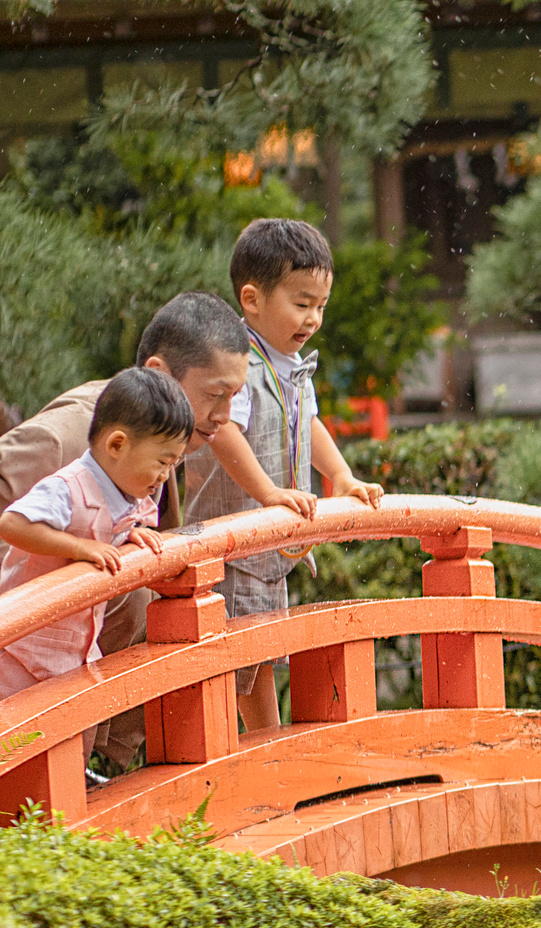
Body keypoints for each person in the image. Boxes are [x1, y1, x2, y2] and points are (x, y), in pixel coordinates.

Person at [0, 292, 252, 744]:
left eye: (233, 397)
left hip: (58, 687)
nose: (224, 416)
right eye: (215, 395)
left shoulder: (160, 437)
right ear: (157, 374)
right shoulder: (69, 438)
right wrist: (55, 563)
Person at [189, 217, 384, 730]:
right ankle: (259, 752)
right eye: (301, 304)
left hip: (268, 545)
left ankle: (262, 747)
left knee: (257, 659)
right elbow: (224, 431)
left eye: (320, 305)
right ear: (252, 299)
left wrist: (340, 476)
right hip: (233, 542)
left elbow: (309, 423)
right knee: (238, 663)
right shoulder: (241, 366)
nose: (314, 318)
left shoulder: (292, 365)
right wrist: (268, 491)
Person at [0, 369, 192, 717]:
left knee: (70, 748)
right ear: (117, 445)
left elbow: (110, 526)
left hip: (75, 653)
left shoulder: (129, 493)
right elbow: (12, 524)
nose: (166, 475)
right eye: (162, 462)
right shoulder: (67, 487)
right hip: (20, 653)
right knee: (12, 753)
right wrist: (81, 548)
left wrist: (126, 535)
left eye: (174, 463)